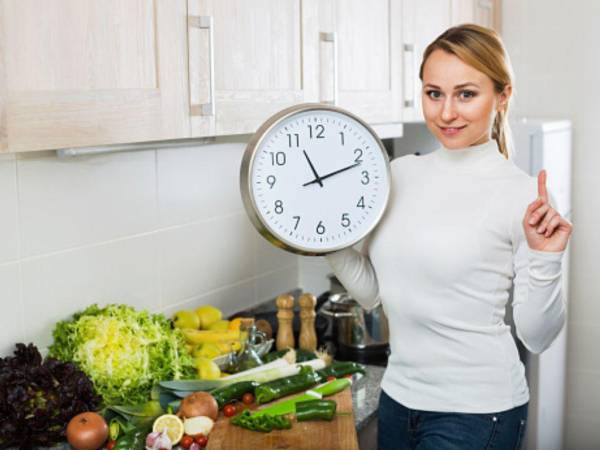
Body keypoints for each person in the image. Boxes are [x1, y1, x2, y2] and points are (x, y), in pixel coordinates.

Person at [325, 24, 573, 450]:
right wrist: (327, 234)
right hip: (399, 400)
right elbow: (373, 294)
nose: (446, 113)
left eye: (466, 94)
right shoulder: (397, 175)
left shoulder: (522, 194)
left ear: (503, 95)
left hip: (478, 411)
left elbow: (537, 335)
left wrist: (547, 258)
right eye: (434, 93)